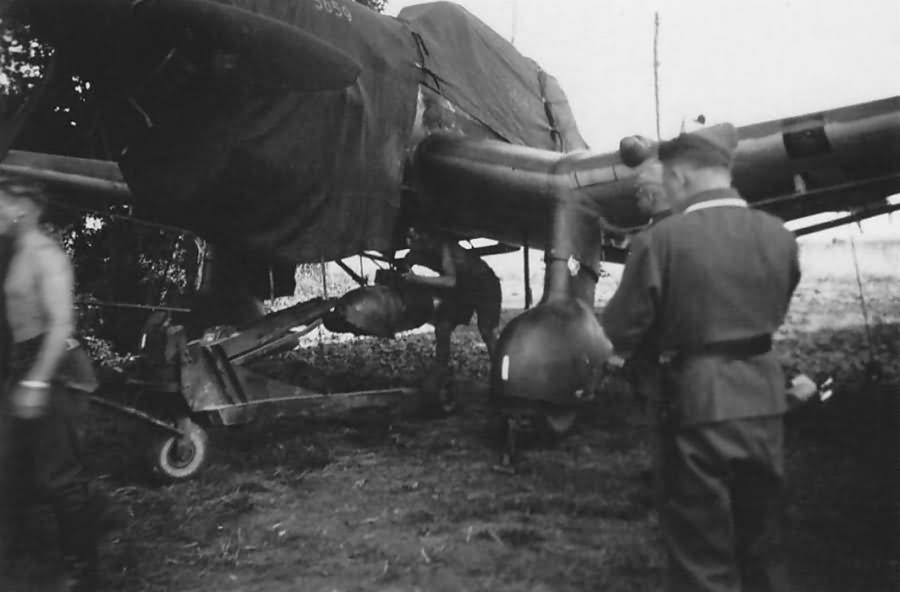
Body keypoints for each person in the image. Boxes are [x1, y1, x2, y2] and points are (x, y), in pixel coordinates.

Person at [602, 124, 800, 592]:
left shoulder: (661, 241)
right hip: (766, 400)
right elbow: (777, 304)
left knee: (700, 553)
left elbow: (620, 330)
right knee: (764, 543)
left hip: (696, 403)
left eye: (667, 180)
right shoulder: (779, 236)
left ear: (683, 177)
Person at [0, 176, 113, 591]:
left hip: (55, 364)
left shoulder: (45, 256)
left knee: (58, 475)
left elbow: (61, 324)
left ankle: (84, 570)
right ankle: (19, 553)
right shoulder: (14, 252)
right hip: (24, 361)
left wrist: (35, 382)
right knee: (11, 463)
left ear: (23, 206)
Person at [401, 227, 501, 366]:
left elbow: (450, 280)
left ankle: (500, 372)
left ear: (426, 237)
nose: (409, 241)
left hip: (483, 284)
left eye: (414, 237)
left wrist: (417, 279)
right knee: (443, 325)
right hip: (460, 288)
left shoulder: (445, 247)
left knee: (487, 331)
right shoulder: (418, 252)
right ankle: (441, 370)